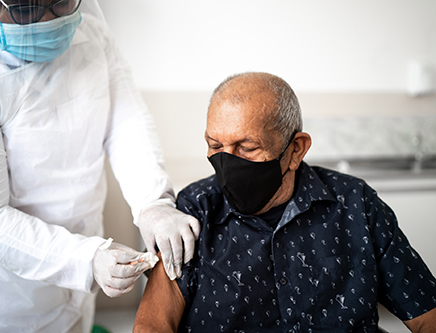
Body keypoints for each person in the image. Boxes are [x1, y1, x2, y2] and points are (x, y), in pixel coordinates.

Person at [0, 0, 200, 331]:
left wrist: (153, 203)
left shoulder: (88, 26)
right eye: (26, 9)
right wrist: (84, 259)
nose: (48, 20)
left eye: (60, 3)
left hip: (77, 279)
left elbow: (125, 123)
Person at [133, 72, 436, 333]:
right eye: (215, 146)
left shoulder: (355, 204)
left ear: (295, 150)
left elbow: (426, 312)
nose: (228, 163)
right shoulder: (196, 209)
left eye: (248, 148)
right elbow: (153, 323)